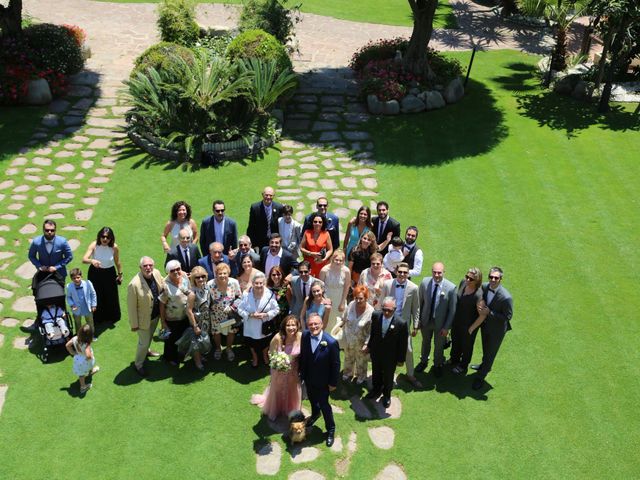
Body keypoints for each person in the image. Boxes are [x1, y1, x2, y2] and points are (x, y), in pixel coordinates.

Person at [299, 312, 340, 447]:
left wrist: (333, 383)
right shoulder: (305, 335)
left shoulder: (331, 342)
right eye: (310, 324)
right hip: (309, 379)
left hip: (323, 383)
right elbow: (304, 357)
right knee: (312, 399)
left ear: (322, 324)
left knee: (325, 406)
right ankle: (315, 415)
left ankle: (331, 430)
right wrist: (301, 375)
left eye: (316, 324)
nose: (313, 326)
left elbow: (335, 364)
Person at [251, 315, 302, 420]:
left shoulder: (301, 337)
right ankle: (276, 409)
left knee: (292, 389)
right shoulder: (278, 338)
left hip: (294, 370)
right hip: (279, 370)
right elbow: (271, 354)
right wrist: (280, 363)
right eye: (288, 325)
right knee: (278, 389)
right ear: (284, 326)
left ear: (297, 326)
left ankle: (291, 409)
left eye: (293, 325)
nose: (291, 327)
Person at [471, 267, 513, 390]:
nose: (493, 280)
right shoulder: (484, 287)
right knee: (485, 348)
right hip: (485, 326)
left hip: (497, 330)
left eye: (496, 278)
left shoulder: (506, 297)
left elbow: (508, 316)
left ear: (501, 279)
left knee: (490, 354)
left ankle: (480, 377)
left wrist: (490, 312)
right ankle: (483, 365)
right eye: (491, 277)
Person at [381, 263, 421, 387]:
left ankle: (410, 375)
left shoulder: (414, 288)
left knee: (408, 349)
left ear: (408, 273)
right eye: (400, 272)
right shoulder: (388, 284)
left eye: (405, 272)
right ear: (396, 272)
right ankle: (385, 374)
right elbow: (382, 303)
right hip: (388, 321)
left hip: (403, 324)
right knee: (386, 349)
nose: (402, 274)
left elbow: (416, 308)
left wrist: (415, 325)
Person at [364, 297, 407, 408]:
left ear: (395, 309)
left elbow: (403, 344)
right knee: (376, 372)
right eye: (384, 309)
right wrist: (368, 346)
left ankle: (387, 395)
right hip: (376, 352)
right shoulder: (376, 316)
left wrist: (401, 359)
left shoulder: (401, 323)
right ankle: (376, 390)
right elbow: (372, 333)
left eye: (390, 310)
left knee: (388, 376)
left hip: (390, 356)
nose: (387, 312)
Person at [416, 262, 457, 378]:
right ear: (431, 272)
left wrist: (446, 327)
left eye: (439, 272)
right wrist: (418, 320)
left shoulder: (451, 288)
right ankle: (423, 361)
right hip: (425, 321)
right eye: (434, 272)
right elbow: (420, 303)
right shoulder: (424, 283)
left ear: (444, 272)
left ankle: (438, 365)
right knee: (425, 342)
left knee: (439, 346)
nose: (437, 275)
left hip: (441, 324)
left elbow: (452, 311)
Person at [127, 256, 165, 377]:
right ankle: (138, 364)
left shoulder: (157, 273)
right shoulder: (134, 284)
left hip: (155, 315)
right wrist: (134, 324)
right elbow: (131, 307)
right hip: (143, 319)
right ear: (140, 267)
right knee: (143, 342)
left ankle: (147, 352)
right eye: (145, 266)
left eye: (150, 265)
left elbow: (163, 283)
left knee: (148, 338)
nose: (148, 268)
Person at [238, 272, 280, 368]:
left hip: (264, 325)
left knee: (265, 342)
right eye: (256, 283)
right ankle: (255, 357)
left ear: (264, 283)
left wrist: (266, 315)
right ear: (252, 283)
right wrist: (250, 315)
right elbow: (240, 309)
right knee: (251, 343)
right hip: (250, 326)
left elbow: (276, 309)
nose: (259, 285)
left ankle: (265, 355)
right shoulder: (246, 294)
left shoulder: (270, 294)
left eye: (261, 283)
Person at [82, 226, 122, 324]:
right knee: (96, 294)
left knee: (110, 294)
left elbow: (117, 262)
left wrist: (120, 274)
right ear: (99, 236)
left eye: (108, 237)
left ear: (111, 238)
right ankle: (98, 317)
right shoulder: (94, 244)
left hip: (109, 273)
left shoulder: (114, 247)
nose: (105, 239)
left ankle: (111, 316)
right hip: (95, 273)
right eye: (103, 237)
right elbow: (84, 259)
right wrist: (92, 260)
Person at [450, 268, 486, 375]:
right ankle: (454, 359)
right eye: (467, 277)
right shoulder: (463, 283)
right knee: (455, 341)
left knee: (466, 346)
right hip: (457, 322)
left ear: (477, 281)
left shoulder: (478, 295)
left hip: (468, 326)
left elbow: (482, 315)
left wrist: (472, 328)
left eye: (471, 279)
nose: (468, 280)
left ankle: (463, 365)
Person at [208, 262, 242, 361]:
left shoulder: (234, 282)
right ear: (216, 274)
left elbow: (240, 297)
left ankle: (228, 349)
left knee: (231, 331)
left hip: (230, 314)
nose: (222, 275)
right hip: (215, 314)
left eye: (225, 273)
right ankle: (218, 349)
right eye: (220, 273)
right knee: (216, 332)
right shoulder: (210, 284)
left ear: (228, 273)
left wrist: (233, 307)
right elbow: (207, 299)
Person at [159, 260, 191, 365]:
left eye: (178, 269)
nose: (177, 272)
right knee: (171, 340)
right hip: (172, 318)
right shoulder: (165, 285)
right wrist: (163, 322)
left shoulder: (185, 277)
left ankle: (182, 353)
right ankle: (170, 358)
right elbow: (162, 304)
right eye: (173, 270)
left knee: (184, 336)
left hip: (185, 315)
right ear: (168, 272)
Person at [342, 285, 374, 384]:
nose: (358, 301)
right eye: (356, 298)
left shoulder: (371, 311)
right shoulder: (351, 304)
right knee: (348, 357)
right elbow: (344, 318)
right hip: (349, 339)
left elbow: (371, 331)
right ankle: (348, 372)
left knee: (361, 361)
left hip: (362, 341)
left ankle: (361, 376)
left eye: (361, 298)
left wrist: (367, 344)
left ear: (366, 298)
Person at [185, 266, 211, 371]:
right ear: (193, 279)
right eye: (197, 277)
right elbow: (188, 310)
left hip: (206, 319)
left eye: (203, 276)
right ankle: (197, 361)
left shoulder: (207, 287)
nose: (200, 279)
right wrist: (195, 326)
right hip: (196, 321)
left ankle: (201, 356)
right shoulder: (192, 293)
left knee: (202, 340)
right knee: (195, 341)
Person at [319, 249, 350, 334]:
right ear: (332, 259)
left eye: (341, 260)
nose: (338, 262)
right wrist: (323, 300)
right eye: (336, 260)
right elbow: (320, 286)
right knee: (327, 319)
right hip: (327, 297)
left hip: (340, 298)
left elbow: (347, 286)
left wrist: (343, 302)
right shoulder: (324, 270)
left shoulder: (346, 271)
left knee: (339, 321)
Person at [66, 324, 99, 394]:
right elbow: (89, 356)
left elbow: (67, 345)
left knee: (81, 372)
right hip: (85, 362)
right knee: (82, 374)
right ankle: (83, 387)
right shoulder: (86, 345)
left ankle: (91, 371)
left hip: (78, 358)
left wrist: (73, 353)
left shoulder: (75, 338)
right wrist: (87, 359)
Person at [247, 186, 282, 251]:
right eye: (266, 195)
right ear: (262, 195)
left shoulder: (279, 207)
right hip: (260, 242)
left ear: (273, 196)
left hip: (275, 242)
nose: (268, 197)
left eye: (271, 195)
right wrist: (251, 243)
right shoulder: (255, 208)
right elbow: (251, 227)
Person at [66, 268, 97, 337]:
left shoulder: (88, 283)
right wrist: (72, 305)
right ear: (71, 279)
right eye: (74, 278)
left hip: (87, 307)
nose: (76, 279)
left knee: (90, 323)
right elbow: (68, 297)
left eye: (78, 277)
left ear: (81, 276)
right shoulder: (69, 286)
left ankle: (91, 335)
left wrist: (93, 305)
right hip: (76, 309)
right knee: (77, 324)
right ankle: (79, 336)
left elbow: (93, 293)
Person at [300, 214, 333, 278]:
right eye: (315, 221)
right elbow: (301, 248)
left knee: (320, 284)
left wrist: (324, 259)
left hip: (321, 263)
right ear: (312, 222)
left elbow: (330, 249)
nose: (317, 223)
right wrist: (311, 253)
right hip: (308, 264)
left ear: (323, 224)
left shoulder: (326, 234)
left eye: (320, 222)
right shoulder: (307, 232)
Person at [267, 266, 290, 331]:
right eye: (273, 275)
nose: (276, 277)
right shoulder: (267, 286)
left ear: (282, 275)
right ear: (270, 276)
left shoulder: (285, 287)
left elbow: (290, 302)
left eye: (278, 274)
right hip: (270, 315)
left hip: (282, 316)